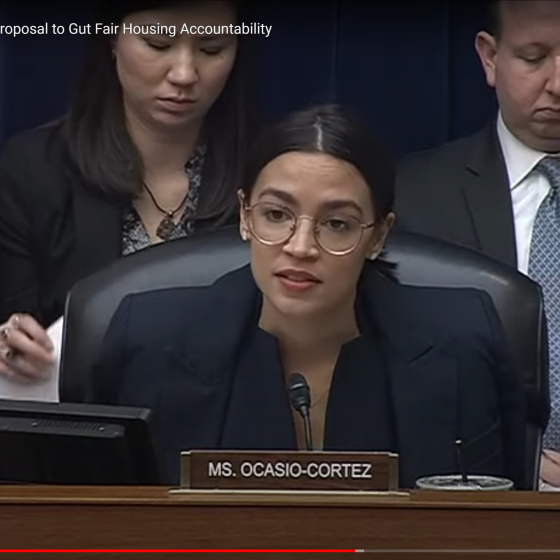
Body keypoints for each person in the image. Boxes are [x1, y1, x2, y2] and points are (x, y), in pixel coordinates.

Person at [85, 104, 527, 489]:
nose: (300, 246)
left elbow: (492, 521)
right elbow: (103, 518)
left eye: (336, 224)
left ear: (379, 235)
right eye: (276, 215)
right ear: (244, 216)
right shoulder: (148, 341)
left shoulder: (462, 344)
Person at [0, 0, 259, 383]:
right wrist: (13, 346)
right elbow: (14, 320)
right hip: (82, 422)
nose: (185, 74)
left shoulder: (272, 172)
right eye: (157, 44)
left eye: (211, 50)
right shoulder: (32, 168)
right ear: (111, 39)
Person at [393, 0, 560, 488]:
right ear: (489, 58)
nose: (557, 85)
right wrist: (524, 460)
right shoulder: (413, 196)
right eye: (534, 57)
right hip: (475, 493)